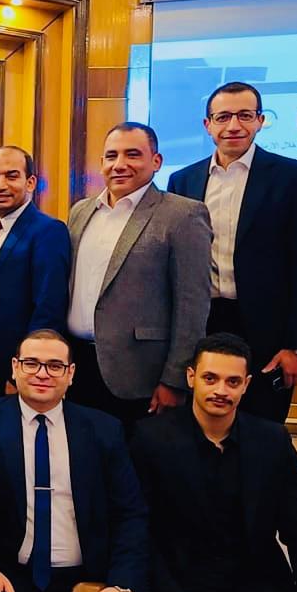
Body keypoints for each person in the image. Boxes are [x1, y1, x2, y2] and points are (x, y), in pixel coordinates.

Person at [130, 334, 297, 592]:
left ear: (246, 384)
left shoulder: (273, 440)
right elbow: (140, 531)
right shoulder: (150, 439)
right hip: (185, 587)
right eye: (210, 378)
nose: (221, 391)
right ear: (191, 377)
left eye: (232, 382)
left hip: (257, 581)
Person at [0, 329, 150, 592]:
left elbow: (130, 514)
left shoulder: (104, 430)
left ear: (71, 374)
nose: (42, 373)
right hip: (10, 580)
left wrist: (124, 586)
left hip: (91, 581)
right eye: (31, 363)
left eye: (55, 366)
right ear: (14, 368)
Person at [167, 82, 297, 423]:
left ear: (259, 120)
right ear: (208, 124)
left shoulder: (294, 177)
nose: (234, 125)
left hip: (267, 332)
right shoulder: (183, 181)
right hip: (202, 323)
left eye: (244, 115)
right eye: (223, 117)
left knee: (262, 429)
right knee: (201, 426)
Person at [65, 122, 211, 429]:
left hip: (140, 374)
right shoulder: (81, 211)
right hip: (78, 366)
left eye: (132, 154)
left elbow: (192, 306)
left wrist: (175, 379)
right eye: (111, 156)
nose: (120, 164)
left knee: (137, 457)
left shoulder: (183, 215)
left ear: (156, 161)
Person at [0, 147, 70, 400]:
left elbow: (49, 308)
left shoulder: (48, 231)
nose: (0, 185)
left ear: (30, 183)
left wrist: (24, 371)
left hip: (17, 373)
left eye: (11, 176)